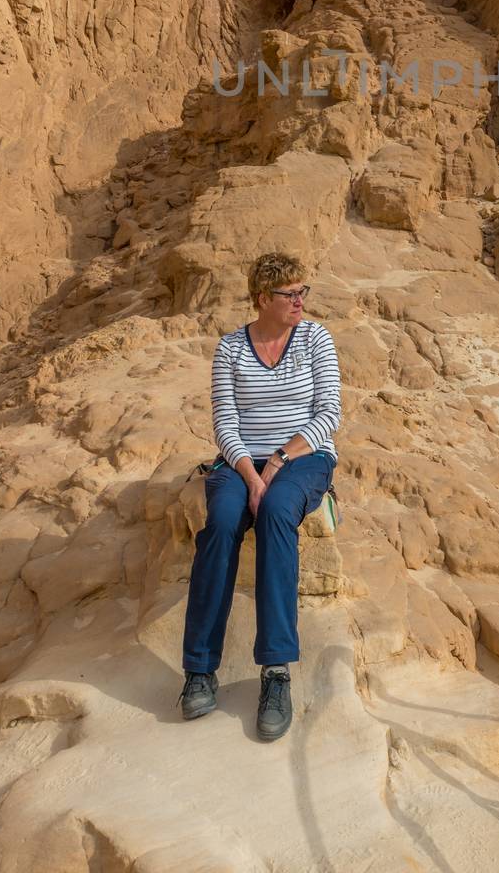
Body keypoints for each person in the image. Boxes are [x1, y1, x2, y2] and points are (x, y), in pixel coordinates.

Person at [178, 252, 341, 741]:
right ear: (262, 299)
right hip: (240, 461)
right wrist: (249, 474)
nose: (300, 302)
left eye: (302, 291)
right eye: (289, 294)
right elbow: (224, 422)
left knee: (275, 513)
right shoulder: (230, 348)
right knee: (223, 523)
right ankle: (199, 669)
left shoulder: (315, 338)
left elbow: (328, 412)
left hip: (304, 457)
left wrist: (277, 463)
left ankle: (276, 672)